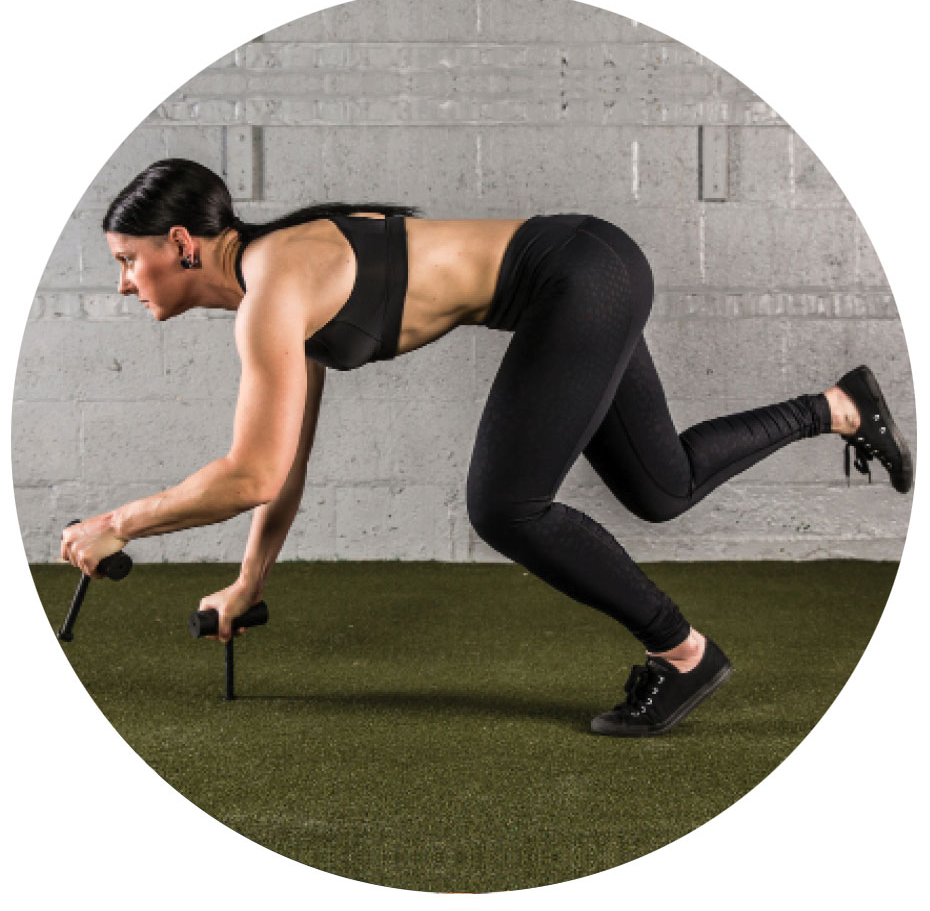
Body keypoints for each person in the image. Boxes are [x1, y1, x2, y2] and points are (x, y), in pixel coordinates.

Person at [60, 158, 913, 737]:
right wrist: (248, 583)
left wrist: (119, 522)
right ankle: (838, 408)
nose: (125, 282)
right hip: (588, 271)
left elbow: (249, 473)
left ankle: (683, 654)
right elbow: (280, 467)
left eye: (127, 261)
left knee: (502, 507)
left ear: (179, 244)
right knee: (663, 486)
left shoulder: (274, 288)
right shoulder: (276, 287)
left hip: (579, 277)